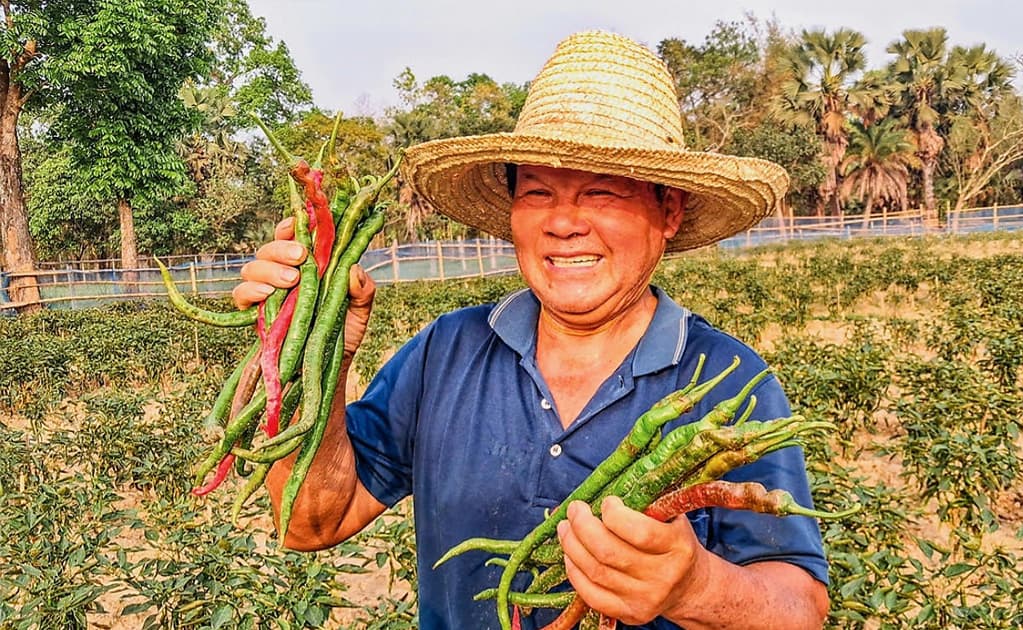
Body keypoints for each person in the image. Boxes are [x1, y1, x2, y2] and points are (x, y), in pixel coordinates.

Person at [233, 30, 829, 629]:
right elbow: (310, 520)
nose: (564, 223)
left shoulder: (729, 381)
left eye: (602, 193)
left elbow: (800, 607)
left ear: (667, 211)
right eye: (539, 193)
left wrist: (695, 587)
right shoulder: (446, 351)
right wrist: (306, 339)